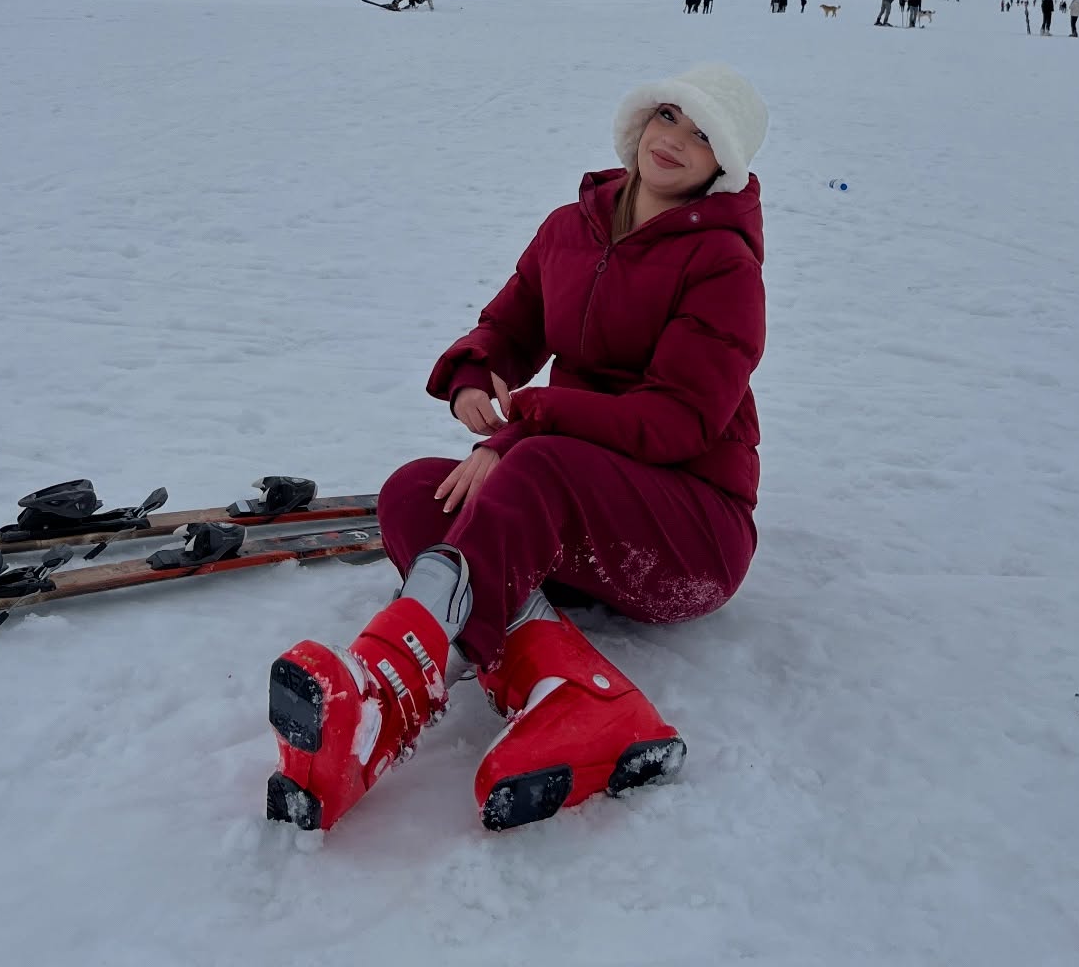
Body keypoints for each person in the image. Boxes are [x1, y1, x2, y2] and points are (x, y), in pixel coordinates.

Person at [267, 62, 769, 839]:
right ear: (642, 119)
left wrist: (524, 427)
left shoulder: (724, 264)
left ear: (723, 165)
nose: (675, 141)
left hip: (693, 530)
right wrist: (476, 371)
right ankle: (581, 697)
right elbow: (513, 324)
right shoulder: (573, 228)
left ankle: (388, 690)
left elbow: (678, 420)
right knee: (416, 493)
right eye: (670, 116)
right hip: (580, 495)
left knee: (528, 468)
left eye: (704, 137)